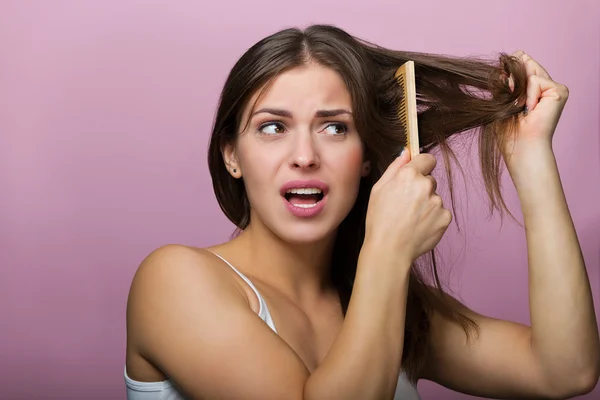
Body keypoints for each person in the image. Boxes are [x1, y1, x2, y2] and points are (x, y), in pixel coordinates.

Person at [124, 25, 599, 399]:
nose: (305, 156)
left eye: (334, 128)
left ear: (367, 155)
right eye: (273, 127)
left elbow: (565, 372)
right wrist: (387, 251)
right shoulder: (174, 280)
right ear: (231, 155)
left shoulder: (380, 297)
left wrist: (531, 156)